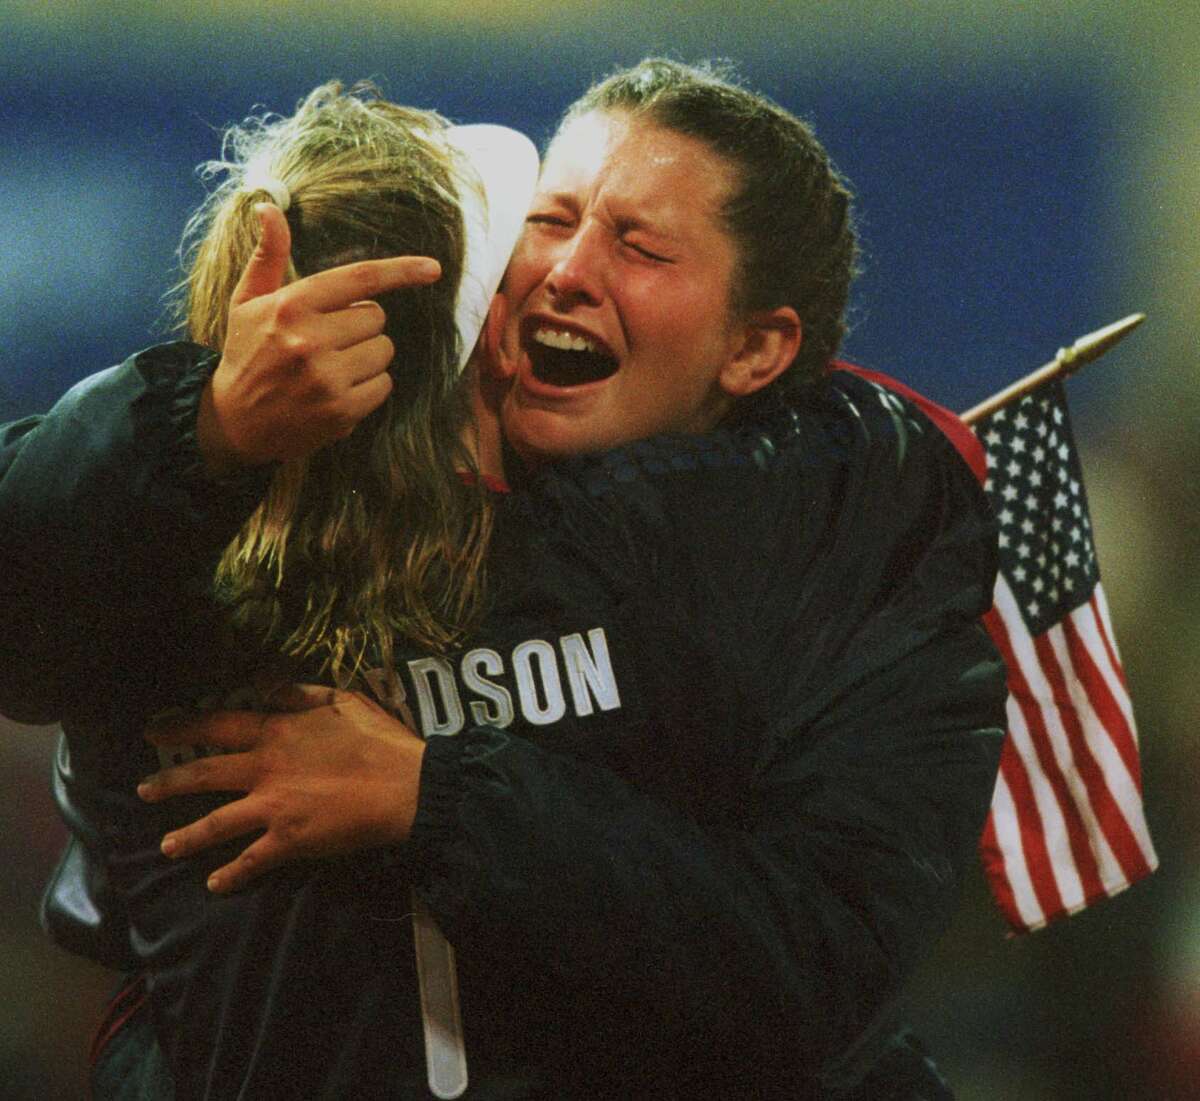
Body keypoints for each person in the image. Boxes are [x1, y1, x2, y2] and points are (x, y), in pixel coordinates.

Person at [6, 62, 1005, 1099]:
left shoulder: (850, 536)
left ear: (755, 349)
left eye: (639, 244)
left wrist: (435, 796)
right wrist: (203, 426)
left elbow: (815, 966)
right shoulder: (172, 543)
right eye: (550, 218)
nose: (565, 271)